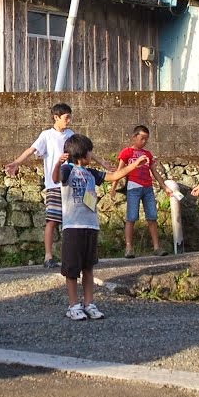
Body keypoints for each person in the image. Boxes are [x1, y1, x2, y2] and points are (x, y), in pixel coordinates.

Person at [53, 134, 144, 320]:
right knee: (71, 269)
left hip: (91, 225)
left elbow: (114, 176)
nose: (91, 155)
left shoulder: (91, 173)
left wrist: (134, 166)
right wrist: (56, 163)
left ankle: (89, 303)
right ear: (81, 153)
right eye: (89, 152)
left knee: (88, 267)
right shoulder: (67, 169)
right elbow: (56, 178)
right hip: (73, 226)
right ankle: (73, 305)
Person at [4, 103, 75, 268]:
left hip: (70, 184)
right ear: (56, 117)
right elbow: (31, 150)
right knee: (52, 221)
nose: (69, 120)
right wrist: (16, 163)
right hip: (53, 184)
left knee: (71, 222)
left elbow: (85, 151)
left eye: (70, 117)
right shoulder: (47, 135)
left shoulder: (71, 135)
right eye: (66, 117)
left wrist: (103, 163)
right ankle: (48, 256)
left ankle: (70, 255)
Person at [116, 124, 172, 258]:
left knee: (152, 217)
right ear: (134, 137)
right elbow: (119, 171)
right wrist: (113, 188)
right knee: (131, 218)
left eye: (146, 139)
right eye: (142, 138)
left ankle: (156, 247)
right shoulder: (127, 152)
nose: (144, 141)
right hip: (133, 187)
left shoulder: (148, 154)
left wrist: (164, 187)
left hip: (148, 188)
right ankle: (129, 248)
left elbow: (154, 172)